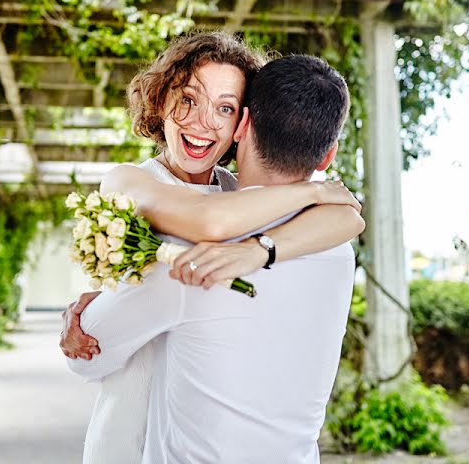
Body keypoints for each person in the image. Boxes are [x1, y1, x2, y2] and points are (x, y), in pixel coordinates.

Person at [62, 34, 364, 463]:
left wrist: (260, 249)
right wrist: (312, 194)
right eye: (188, 99)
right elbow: (346, 214)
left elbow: (347, 216)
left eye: (224, 108)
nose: (203, 122)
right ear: (161, 100)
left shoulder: (228, 220)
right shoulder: (132, 185)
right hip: (133, 433)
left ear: (241, 125)